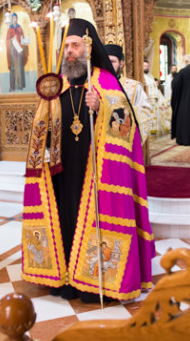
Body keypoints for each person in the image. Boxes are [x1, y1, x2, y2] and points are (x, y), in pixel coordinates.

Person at [21, 19, 154, 303]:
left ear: (89, 49)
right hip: (62, 172)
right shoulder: (57, 85)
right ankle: (63, 278)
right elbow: (42, 126)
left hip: (95, 171)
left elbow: (127, 127)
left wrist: (102, 107)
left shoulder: (106, 82)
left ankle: (92, 284)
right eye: (67, 46)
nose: (70, 51)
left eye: (75, 45)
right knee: (64, 219)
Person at [104, 44, 151, 144]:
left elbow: (146, 112)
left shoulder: (133, 87)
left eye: (112, 61)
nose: (108, 65)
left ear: (121, 64)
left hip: (125, 140)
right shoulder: (95, 85)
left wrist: (126, 112)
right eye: (105, 61)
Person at [142, 59, 171, 136]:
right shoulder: (142, 76)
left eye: (147, 66)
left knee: (156, 116)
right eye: (144, 66)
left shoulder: (150, 76)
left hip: (155, 99)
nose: (146, 67)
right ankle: (150, 133)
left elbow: (155, 87)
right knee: (150, 117)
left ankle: (156, 133)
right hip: (148, 100)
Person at [6, 12, 28, 92]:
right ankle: (13, 86)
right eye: (13, 18)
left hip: (19, 51)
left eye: (15, 18)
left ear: (17, 19)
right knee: (13, 68)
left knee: (20, 67)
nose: (14, 19)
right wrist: (12, 40)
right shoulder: (10, 29)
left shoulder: (19, 28)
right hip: (12, 51)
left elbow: (22, 38)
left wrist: (23, 45)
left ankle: (20, 85)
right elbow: (7, 40)